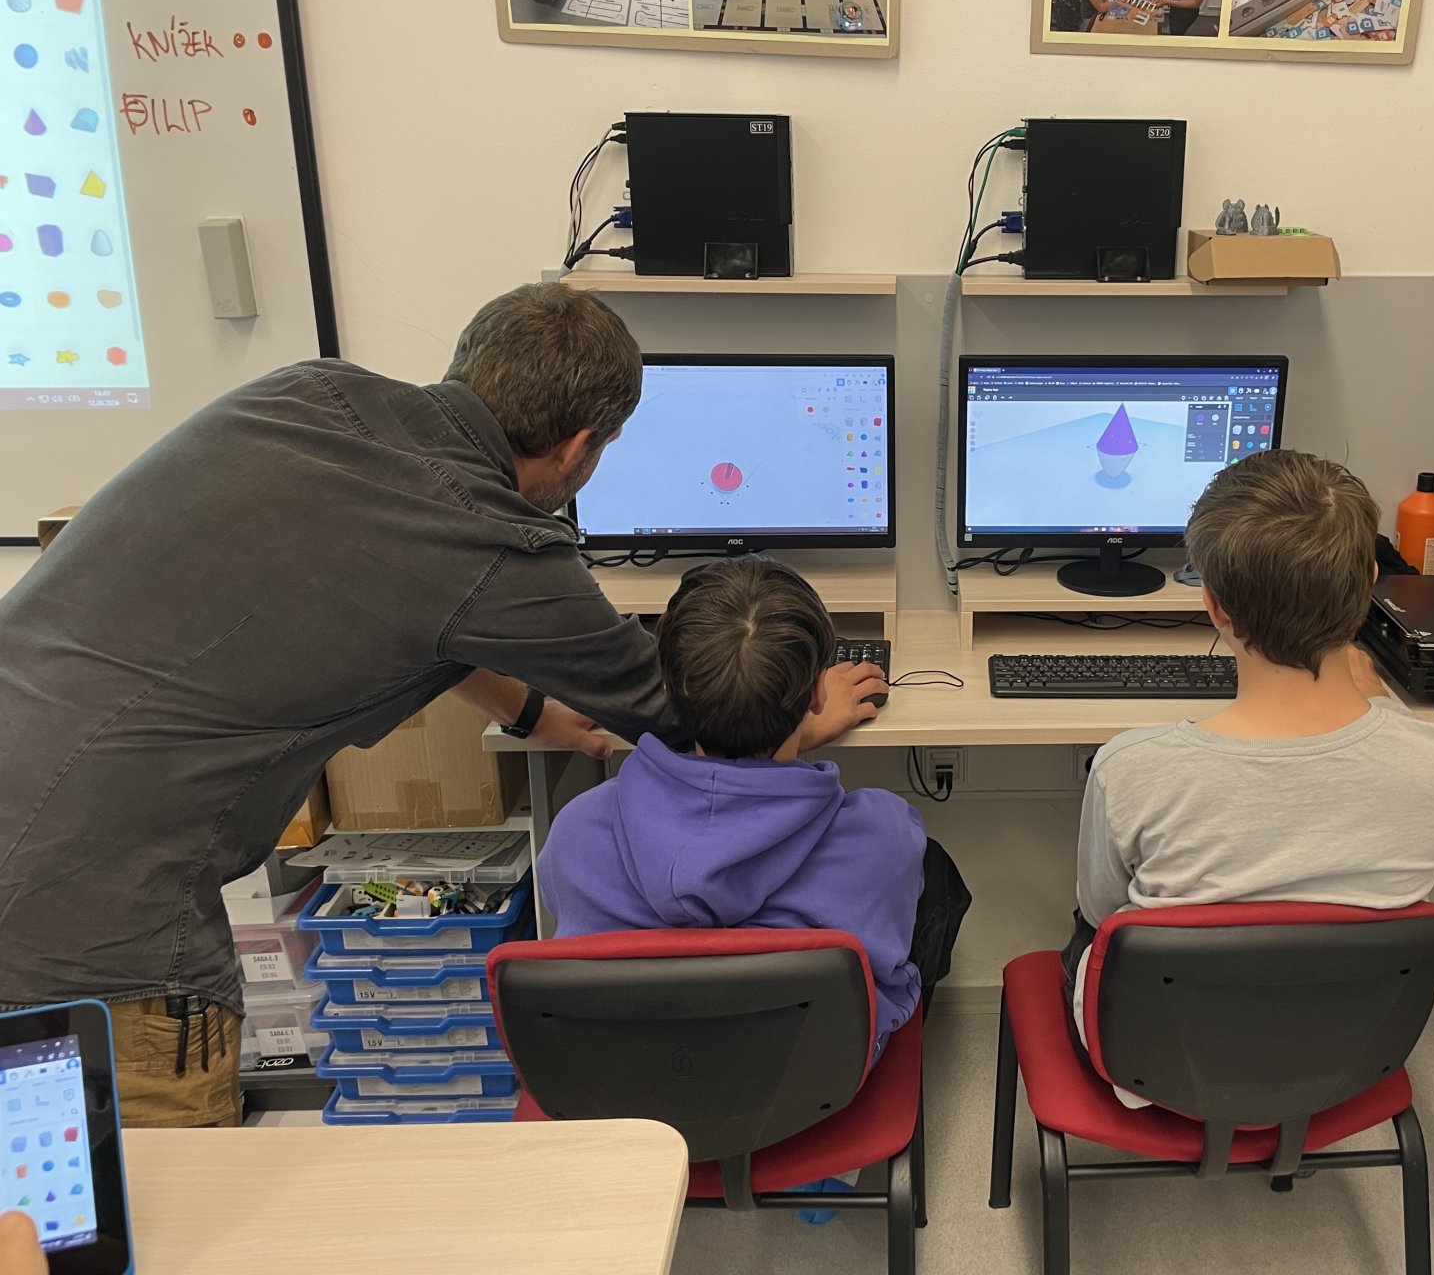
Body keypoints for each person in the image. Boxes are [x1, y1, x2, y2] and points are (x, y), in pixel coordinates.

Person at [0, 282, 889, 1128]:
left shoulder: (308, 392)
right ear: (579, 448)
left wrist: (530, 712)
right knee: (134, 1203)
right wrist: (803, 712)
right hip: (90, 911)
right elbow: (687, 707)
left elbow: (408, 599)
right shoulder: (497, 543)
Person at [1065, 450, 1434, 1105]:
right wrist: (1381, 706)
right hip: (1343, 1061)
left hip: (1154, 1068)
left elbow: (1102, 911)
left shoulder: (1131, 768)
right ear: (1370, 581)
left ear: (1215, 606)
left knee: (1090, 928)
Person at [539, 556, 969, 1065]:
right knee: (932, 874)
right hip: (814, 1080)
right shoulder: (882, 834)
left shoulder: (575, 832)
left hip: (621, 1079)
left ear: (669, 689)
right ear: (817, 695)